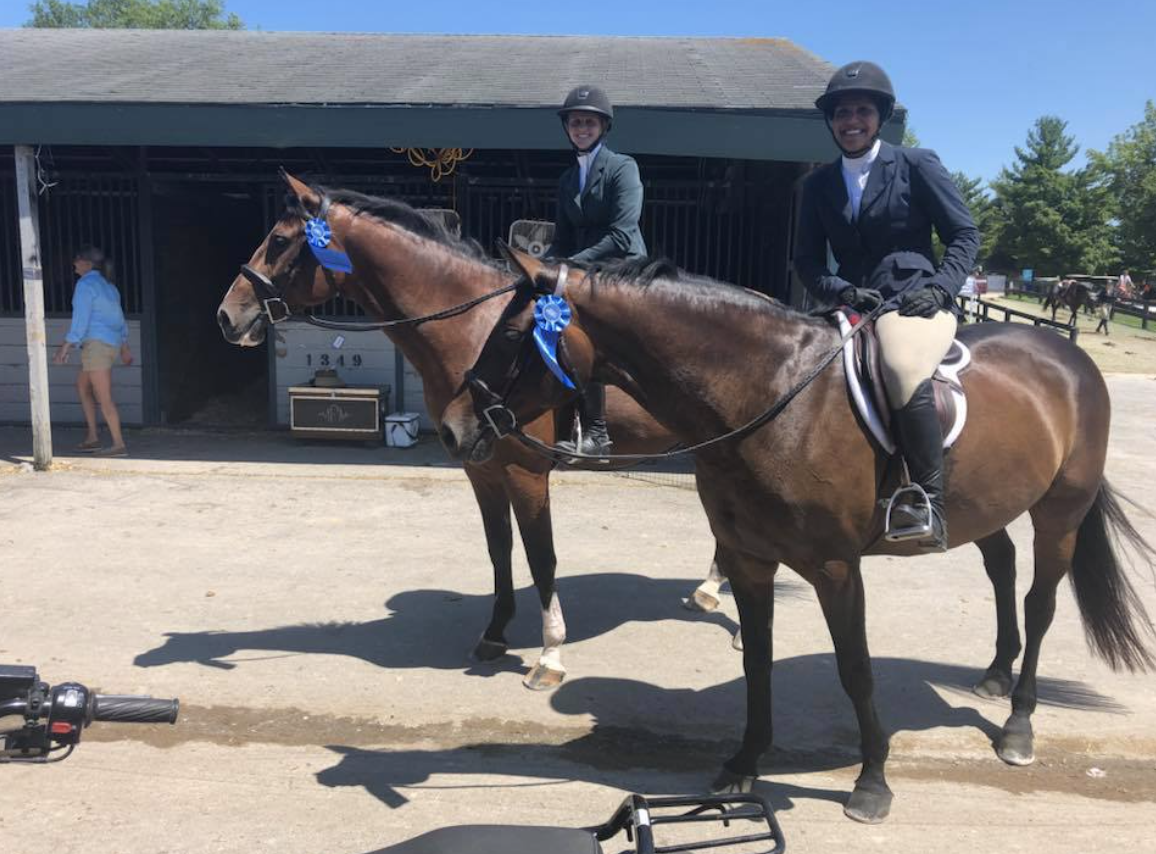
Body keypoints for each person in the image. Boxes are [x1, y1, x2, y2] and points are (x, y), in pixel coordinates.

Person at [794, 61, 980, 552]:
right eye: (842, 113)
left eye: (861, 111)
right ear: (831, 122)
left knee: (899, 366)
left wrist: (941, 287)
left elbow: (964, 233)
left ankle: (927, 503)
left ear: (879, 117)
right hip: (852, 304)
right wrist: (840, 290)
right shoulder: (817, 185)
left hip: (914, 302)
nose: (851, 120)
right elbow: (807, 261)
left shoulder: (917, 165)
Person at [545, 85, 647, 457]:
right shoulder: (567, 180)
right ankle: (561, 428)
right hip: (581, 272)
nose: (582, 128)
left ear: (603, 127)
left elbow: (622, 234)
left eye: (589, 122)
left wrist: (571, 266)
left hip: (621, 267)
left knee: (587, 328)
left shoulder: (623, 168)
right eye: (575, 122)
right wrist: (546, 265)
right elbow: (562, 237)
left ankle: (598, 432)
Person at [52, 245, 132, 456]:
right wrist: (124, 346)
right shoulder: (109, 286)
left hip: (96, 346)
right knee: (82, 386)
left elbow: (80, 320)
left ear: (87, 263)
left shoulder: (85, 285)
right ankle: (93, 437)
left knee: (103, 397)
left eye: (77, 259)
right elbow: (118, 318)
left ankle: (118, 444)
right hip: (109, 345)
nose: (74, 263)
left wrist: (65, 347)